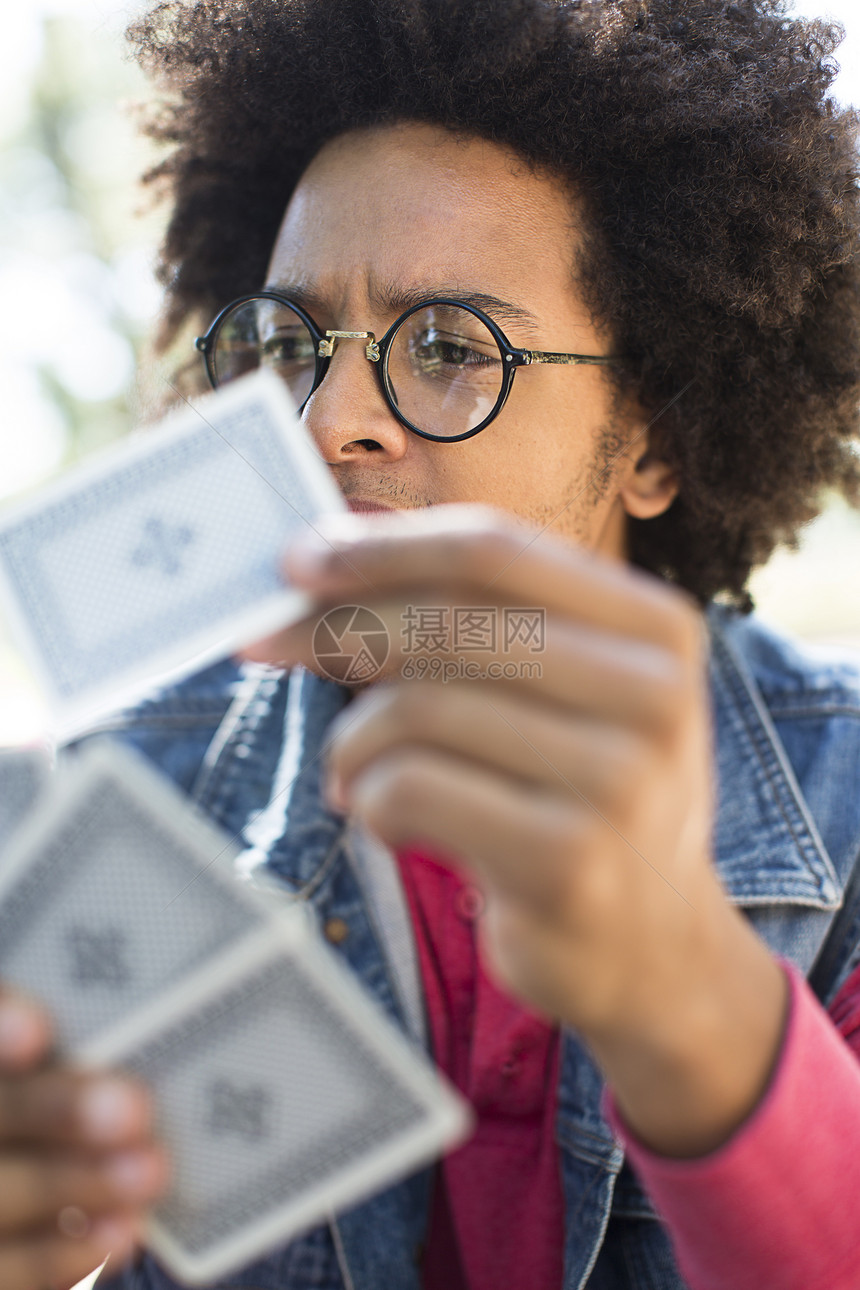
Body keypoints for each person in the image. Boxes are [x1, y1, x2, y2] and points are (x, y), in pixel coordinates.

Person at [2, 0, 860, 1286]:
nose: (331, 416)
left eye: (449, 347)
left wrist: (683, 993)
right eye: (291, 346)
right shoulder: (111, 811)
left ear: (653, 446)